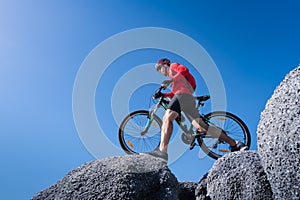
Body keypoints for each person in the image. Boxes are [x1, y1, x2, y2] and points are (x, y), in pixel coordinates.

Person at [142, 58, 248, 162]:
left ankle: (162, 151)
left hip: (183, 95)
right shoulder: (174, 79)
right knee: (201, 127)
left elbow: (184, 70)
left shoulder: (173, 67)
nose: (160, 72)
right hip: (186, 97)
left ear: (165, 64)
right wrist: (163, 95)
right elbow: (175, 92)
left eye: (159, 68)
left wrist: (170, 80)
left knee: (167, 117)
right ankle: (235, 144)